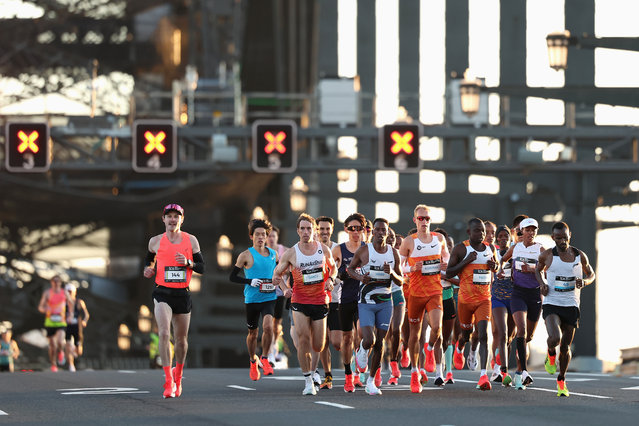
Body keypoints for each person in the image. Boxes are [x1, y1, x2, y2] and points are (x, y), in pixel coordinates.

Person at [143, 203, 204, 398]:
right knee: (162, 333)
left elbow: (201, 267)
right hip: (162, 293)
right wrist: (148, 269)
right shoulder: (155, 241)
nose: (172, 219)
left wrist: (187, 263)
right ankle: (168, 380)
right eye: (168, 216)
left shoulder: (191, 240)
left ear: (181, 219)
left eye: (176, 216)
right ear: (163, 219)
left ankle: (178, 376)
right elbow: (148, 261)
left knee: (181, 341)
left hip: (182, 294)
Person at [272, 213, 337, 396]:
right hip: (299, 300)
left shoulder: (323, 249)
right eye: (303, 228)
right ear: (298, 231)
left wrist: (331, 279)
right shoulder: (291, 253)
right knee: (303, 341)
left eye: (309, 228)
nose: (306, 232)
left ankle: (313, 372)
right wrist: (285, 288)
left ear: (314, 230)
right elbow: (276, 275)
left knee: (319, 344)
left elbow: (333, 267)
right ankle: (308, 380)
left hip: (320, 300)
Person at [536, 221, 595, 397]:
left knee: (566, 348)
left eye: (565, 237)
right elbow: (537, 270)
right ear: (553, 238)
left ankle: (561, 380)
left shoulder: (579, 255)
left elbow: (591, 274)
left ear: (570, 236)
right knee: (555, 337)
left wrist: (585, 281)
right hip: (552, 302)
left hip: (571, 304)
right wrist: (542, 285)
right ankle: (550, 353)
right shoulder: (547, 255)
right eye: (558, 238)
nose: (562, 241)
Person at [349, 218, 403, 395]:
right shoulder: (364, 251)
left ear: (387, 233)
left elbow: (401, 281)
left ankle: (371, 381)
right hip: (366, 302)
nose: (380, 233)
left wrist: (392, 272)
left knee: (380, 343)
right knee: (369, 339)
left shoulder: (393, 253)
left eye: (384, 230)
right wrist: (360, 278)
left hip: (385, 303)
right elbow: (350, 269)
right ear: (372, 232)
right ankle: (363, 349)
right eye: (378, 230)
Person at [399, 205, 449, 393]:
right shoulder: (408, 241)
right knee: (414, 335)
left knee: (437, 327)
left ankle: (429, 349)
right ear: (415, 220)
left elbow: (447, 259)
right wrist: (411, 269)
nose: (424, 222)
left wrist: (445, 264)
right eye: (420, 218)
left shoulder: (439, 239)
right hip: (415, 293)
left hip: (435, 290)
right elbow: (399, 266)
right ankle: (414, 373)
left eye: (427, 218)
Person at [446, 218, 498, 391]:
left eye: (483, 231)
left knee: (483, 334)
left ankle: (483, 375)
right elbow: (449, 272)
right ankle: (460, 346)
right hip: (465, 300)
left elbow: (496, 267)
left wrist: (494, 265)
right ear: (469, 232)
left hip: (484, 299)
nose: (481, 234)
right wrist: (466, 261)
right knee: (466, 333)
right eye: (477, 230)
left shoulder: (490, 248)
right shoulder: (461, 248)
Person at [499, 217, 544, 390]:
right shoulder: (516, 247)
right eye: (528, 230)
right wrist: (502, 272)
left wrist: (532, 269)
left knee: (529, 337)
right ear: (522, 232)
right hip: (517, 293)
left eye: (534, 230)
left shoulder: (540, 249)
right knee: (521, 330)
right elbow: (503, 259)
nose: (531, 233)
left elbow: (547, 266)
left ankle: (519, 372)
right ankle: (524, 371)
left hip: (534, 294)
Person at [230, 218, 278, 381]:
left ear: (267, 237)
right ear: (252, 236)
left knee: (268, 327)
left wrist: (279, 281)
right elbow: (232, 277)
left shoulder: (273, 254)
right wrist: (249, 281)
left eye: (263, 234)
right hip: (252, 299)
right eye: (257, 234)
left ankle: (265, 358)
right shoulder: (245, 255)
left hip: (269, 297)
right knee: (253, 333)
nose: (260, 237)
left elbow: (279, 271)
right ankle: (252, 360)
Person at [332, 212, 367, 392]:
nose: (355, 232)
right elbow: (330, 270)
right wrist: (338, 276)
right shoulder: (339, 249)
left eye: (358, 228)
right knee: (347, 338)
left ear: (363, 230)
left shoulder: (368, 248)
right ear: (346, 230)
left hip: (364, 298)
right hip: (345, 299)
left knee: (362, 333)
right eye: (352, 228)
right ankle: (348, 375)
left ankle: (361, 361)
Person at [313, 216, 341, 390]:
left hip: (337, 299)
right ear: (317, 230)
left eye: (327, 229)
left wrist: (334, 278)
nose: (324, 232)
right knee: (322, 341)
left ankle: (351, 368)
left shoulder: (337, 248)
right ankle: (328, 375)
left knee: (337, 342)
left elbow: (341, 269)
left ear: (331, 230)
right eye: (321, 229)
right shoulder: (311, 248)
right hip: (318, 300)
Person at [432, 228, 458, 385]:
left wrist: (446, 274)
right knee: (437, 334)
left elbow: (461, 281)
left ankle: (448, 370)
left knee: (447, 338)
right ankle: (438, 372)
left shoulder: (453, 261)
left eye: (448, 244)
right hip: (433, 299)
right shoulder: (428, 257)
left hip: (448, 297)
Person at [490, 225, 515, 386]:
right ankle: (500, 369)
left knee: (510, 337)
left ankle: (500, 361)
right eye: (500, 236)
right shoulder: (493, 252)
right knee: (500, 332)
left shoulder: (515, 253)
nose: (503, 238)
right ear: (496, 239)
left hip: (514, 297)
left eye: (506, 235)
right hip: (497, 296)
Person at [384, 227, 406, 385]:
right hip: (381, 296)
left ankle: (394, 363)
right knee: (383, 336)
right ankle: (377, 370)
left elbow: (401, 280)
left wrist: (392, 272)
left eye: (394, 237)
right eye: (389, 236)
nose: (391, 239)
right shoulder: (376, 253)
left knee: (397, 330)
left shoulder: (397, 255)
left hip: (398, 294)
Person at [266, 225, 289, 365]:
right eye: (269, 236)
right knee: (267, 323)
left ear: (277, 237)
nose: (271, 238)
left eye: (273, 236)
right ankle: (268, 352)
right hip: (266, 291)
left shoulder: (285, 251)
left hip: (280, 292)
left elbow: (290, 268)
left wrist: (280, 271)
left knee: (276, 324)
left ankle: (275, 345)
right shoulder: (262, 252)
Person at [38, 275, 68, 372]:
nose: (56, 283)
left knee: (59, 341)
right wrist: (45, 309)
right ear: (51, 282)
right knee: (52, 346)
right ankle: (53, 364)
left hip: (61, 322)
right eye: (54, 281)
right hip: (50, 322)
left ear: (60, 282)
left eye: (58, 281)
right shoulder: (47, 293)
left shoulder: (64, 293)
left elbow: (71, 304)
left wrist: (71, 314)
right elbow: (40, 307)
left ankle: (61, 351)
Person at [64, 284, 89, 372]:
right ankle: (71, 364)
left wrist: (84, 321)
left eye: (71, 292)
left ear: (74, 292)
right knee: (67, 344)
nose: (69, 293)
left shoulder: (79, 302)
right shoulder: (64, 303)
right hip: (68, 326)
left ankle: (76, 349)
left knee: (78, 350)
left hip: (77, 327)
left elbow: (86, 314)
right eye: (68, 292)